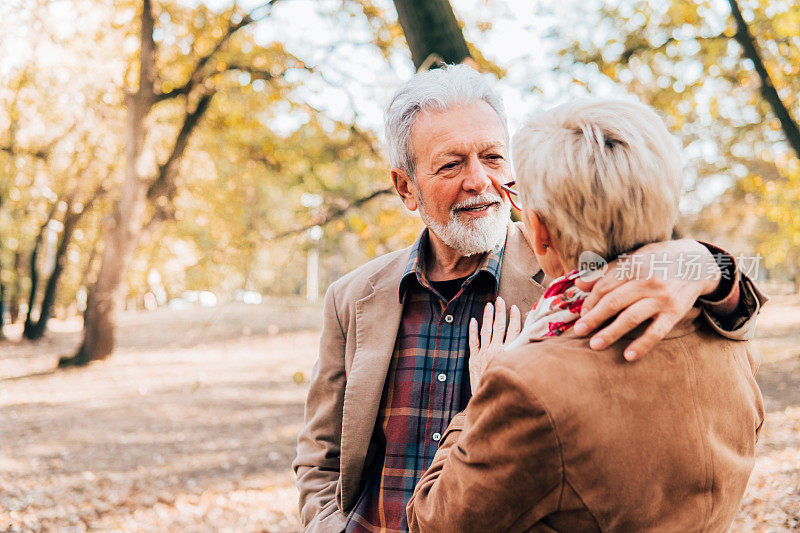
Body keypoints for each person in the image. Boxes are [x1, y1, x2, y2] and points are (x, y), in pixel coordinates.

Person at [293, 65, 765, 532]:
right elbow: (320, 457)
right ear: (405, 188)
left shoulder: (578, 270)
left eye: (494, 158)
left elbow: (675, 283)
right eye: (451, 164)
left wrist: (707, 264)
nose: (478, 180)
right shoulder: (352, 296)